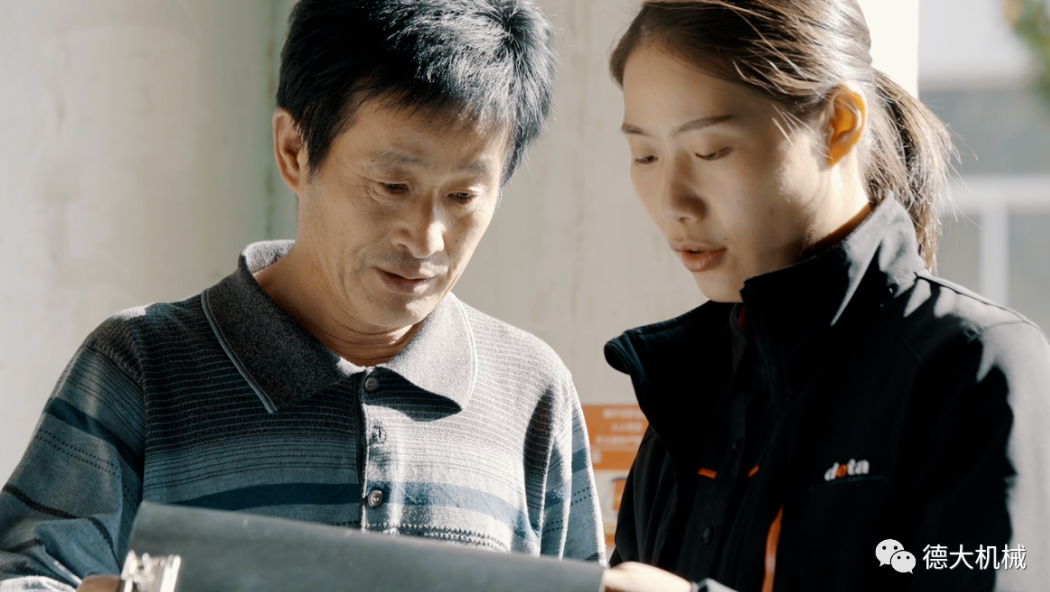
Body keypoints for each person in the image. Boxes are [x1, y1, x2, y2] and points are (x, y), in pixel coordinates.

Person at [0, 1, 606, 590]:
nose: (426, 238)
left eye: (463, 197)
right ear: (295, 150)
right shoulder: (138, 367)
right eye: (392, 185)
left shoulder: (531, 390)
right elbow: (27, 575)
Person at [597, 1, 1050, 591]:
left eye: (711, 151)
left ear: (838, 124)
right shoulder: (688, 390)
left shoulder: (973, 362)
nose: (672, 202)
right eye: (646, 156)